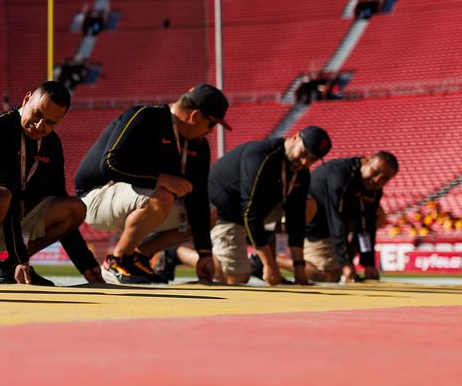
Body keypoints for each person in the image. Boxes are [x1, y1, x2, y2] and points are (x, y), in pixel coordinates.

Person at [0, 81, 103, 287]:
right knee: (1, 195)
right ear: (26, 100)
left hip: (12, 219)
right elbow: (6, 197)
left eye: (50, 122)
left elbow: (58, 196)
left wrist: (85, 263)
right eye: (37, 114)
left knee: (75, 208)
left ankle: (7, 267)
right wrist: (21, 258)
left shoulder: (52, 143)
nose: (40, 125)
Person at [74, 84, 231, 284]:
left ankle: (137, 257)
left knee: (208, 213)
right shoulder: (146, 116)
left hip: (136, 199)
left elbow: (198, 198)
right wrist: (162, 179)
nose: (211, 132)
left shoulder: (198, 145)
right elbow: (110, 163)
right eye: (212, 124)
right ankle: (116, 261)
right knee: (162, 195)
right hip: (95, 197)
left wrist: (204, 252)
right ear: (196, 116)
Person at [201, 127, 331, 286]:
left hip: (256, 213)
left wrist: (299, 268)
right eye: (304, 153)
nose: (305, 162)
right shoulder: (261, 155)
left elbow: (296, 218)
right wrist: (270, 264)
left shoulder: (301, 172)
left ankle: (258, 260)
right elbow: (250, 210)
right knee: (236, 277)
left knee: (307, 205)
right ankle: (177, 253)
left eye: (312, 159)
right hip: (225, 212)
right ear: (295, 138)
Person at [304, 151, 398, 283]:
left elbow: (368, 225)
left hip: (336, 221)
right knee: (330, 276)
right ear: (366, 161)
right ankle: (274, 262)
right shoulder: (341, 175)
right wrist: (345, 263)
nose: (377, 180)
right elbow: (336, 221)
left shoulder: (374, 188)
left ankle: (346, 263)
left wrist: (369, 264)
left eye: (384, 178)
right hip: (314, 221)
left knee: (378, 214)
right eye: (375, 172)